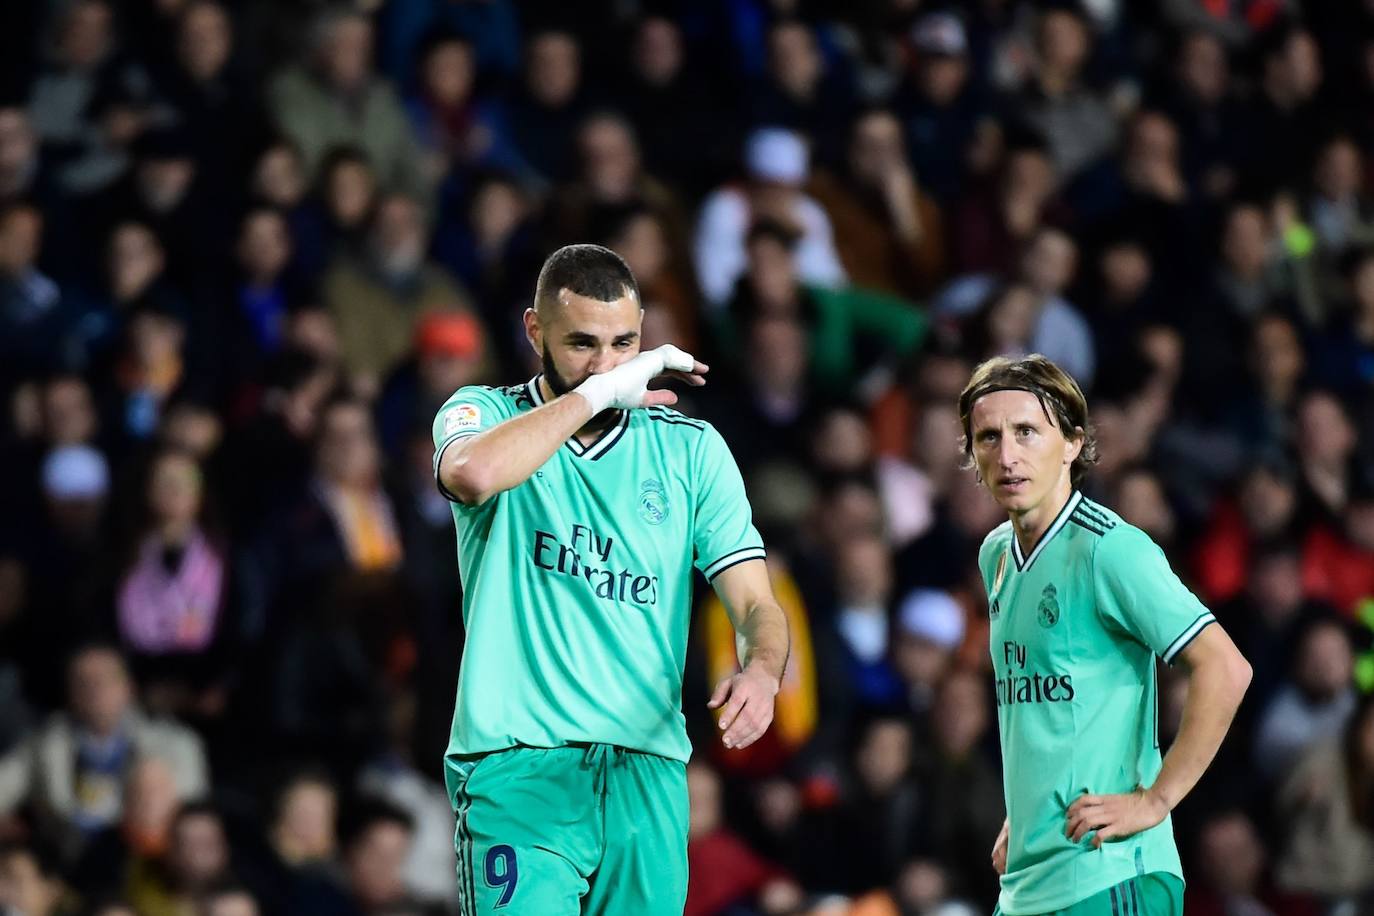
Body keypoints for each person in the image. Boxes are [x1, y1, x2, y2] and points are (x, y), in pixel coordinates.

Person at [432, 244, 790, 913]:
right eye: (582, 345)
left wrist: (763, 669)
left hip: (646, 775)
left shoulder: (690, 450)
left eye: (624, 344)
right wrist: (597, 394)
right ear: (535, 331)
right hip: (520, 769)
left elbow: (755, 603)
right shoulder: (483, 413)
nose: (605, 365)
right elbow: (471, 476)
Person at [960, 354, 1251, 915]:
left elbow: (1226, 668)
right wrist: (1027, 813)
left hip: (1110, 872)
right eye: (988, 437)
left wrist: (1156, 800)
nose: (1008, 455)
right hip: (1029, 878)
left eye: (1026, 432)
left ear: (1071, 442)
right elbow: (1045, 706)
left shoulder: (1109, 549)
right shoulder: (995, 553)